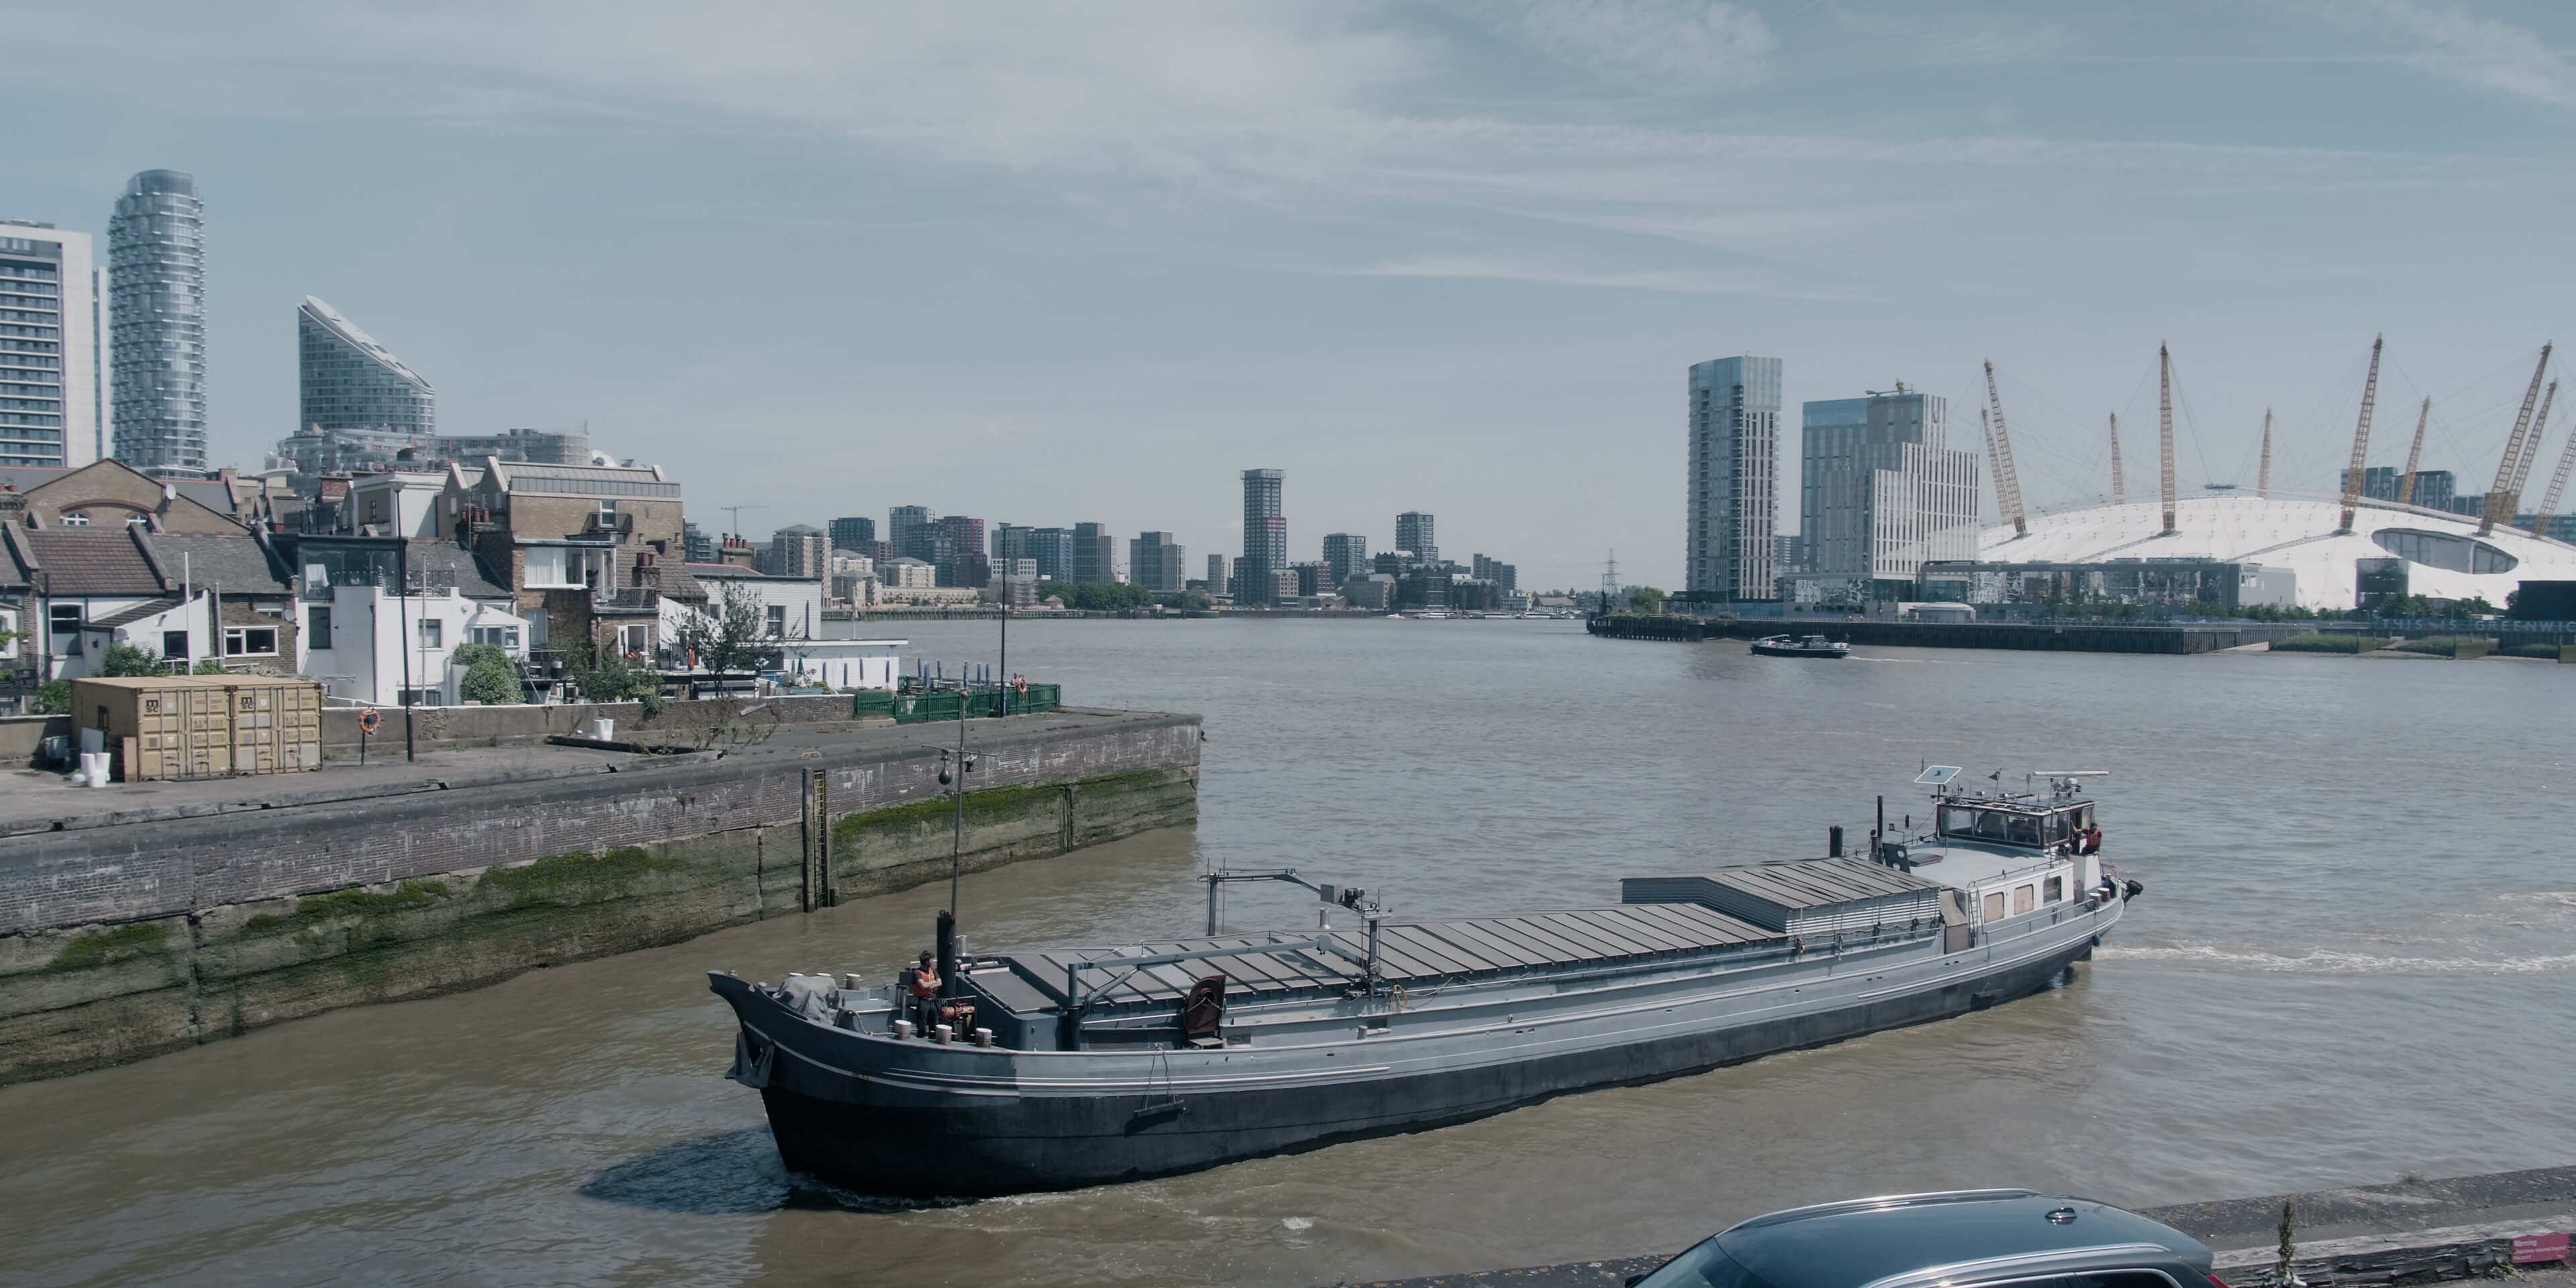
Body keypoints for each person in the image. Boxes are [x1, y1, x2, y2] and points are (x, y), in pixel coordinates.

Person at [908, 951, 941, 1026]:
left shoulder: (933, 970)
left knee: (935, 1023)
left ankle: (933, 1036)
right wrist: (934, 983)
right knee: (922, 1023)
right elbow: (923, 985)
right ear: (926, 962)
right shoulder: (917, 973)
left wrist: (929, 985)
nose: (932, 962)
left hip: (933, 1000)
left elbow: (940, 982)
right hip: (923, 1000)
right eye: (931, 960)